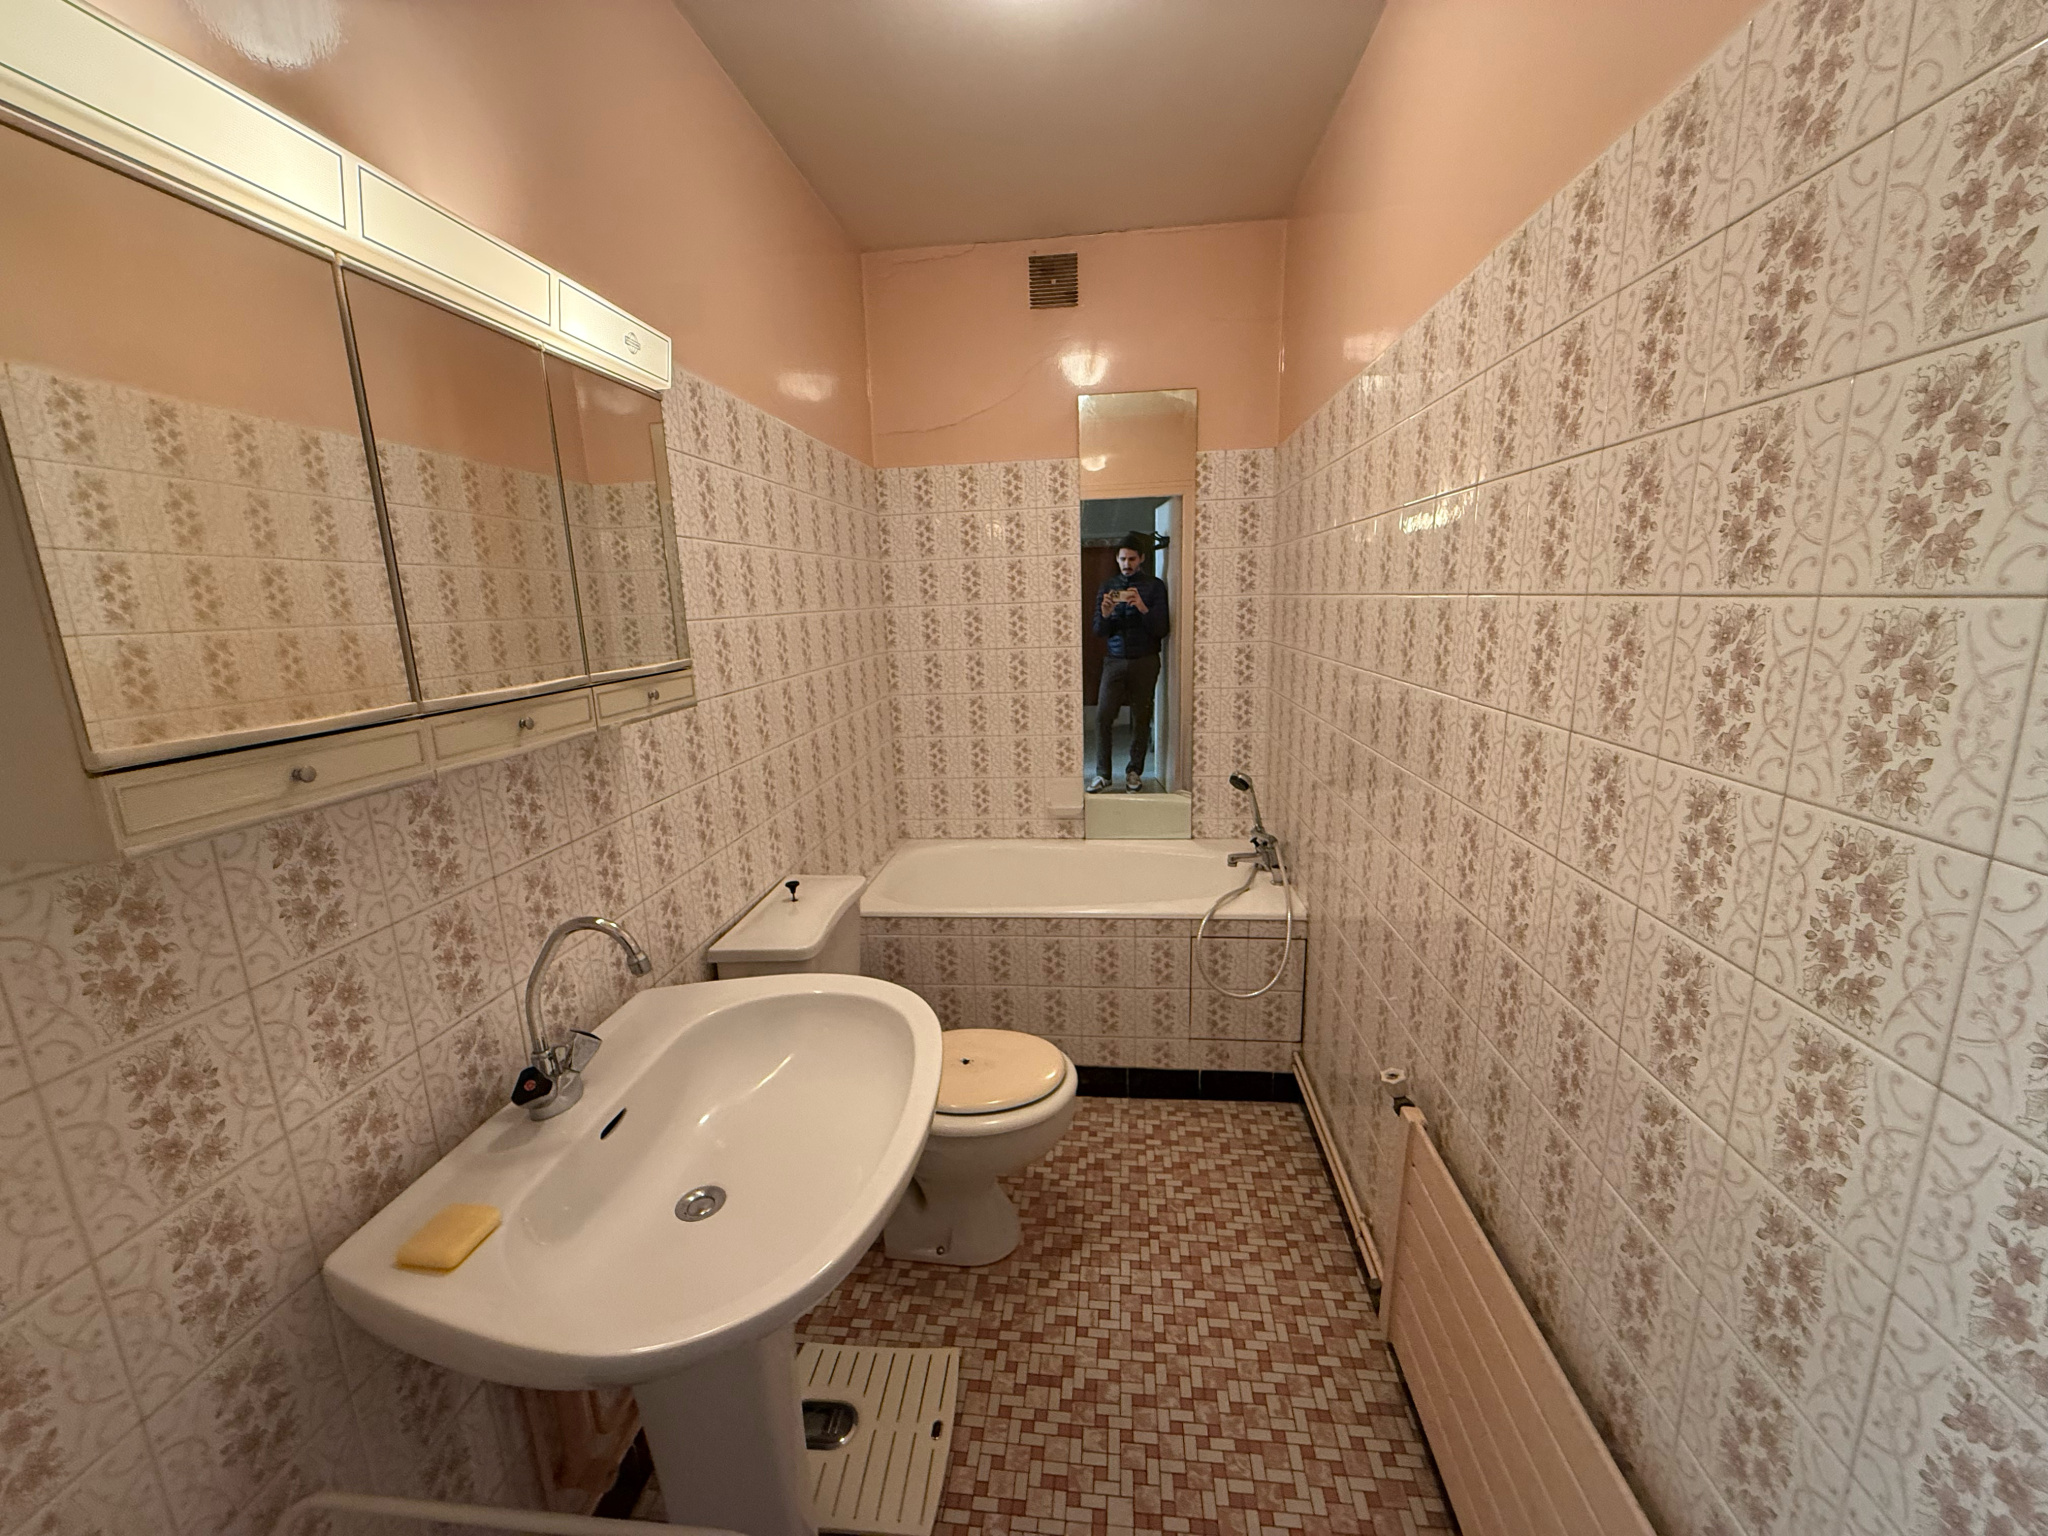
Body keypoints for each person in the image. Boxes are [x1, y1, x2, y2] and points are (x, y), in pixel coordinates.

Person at [1089, 531, 1170, 792]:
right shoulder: (1108, 586)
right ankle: (1103, 774)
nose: (1127, 564)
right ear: (1117, 558)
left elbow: (1162, 629)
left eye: (1132, 559)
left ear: (1142, 558)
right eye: (1123, 559)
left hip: (1145, 660)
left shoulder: (1155, 586)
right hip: (1114, 660)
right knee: (1102, 716)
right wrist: (1105, 614)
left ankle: (1134, 772)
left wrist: (1143, 607)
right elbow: (1098, 631)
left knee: (1141, 716)